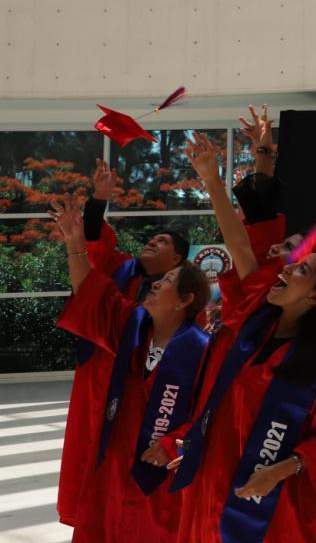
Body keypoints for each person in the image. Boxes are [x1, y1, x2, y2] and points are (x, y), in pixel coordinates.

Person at [152, 134, 316, 542]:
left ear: (315, 297)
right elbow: (239, 242)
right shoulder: (250, 324)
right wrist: (211, 179)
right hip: (211, 485)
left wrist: (283, 468)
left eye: (299, 270)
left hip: (274, 509)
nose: (281, 269)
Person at [50, 194, 210, 542]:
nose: (156, 283)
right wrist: (75, 243)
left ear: (185, 300)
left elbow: (211, 414)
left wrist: (172, 441)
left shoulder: (202, 350)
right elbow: (93, 294)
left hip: (161, 479)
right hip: (114, 467)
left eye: (167, 282)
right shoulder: (134, 326)